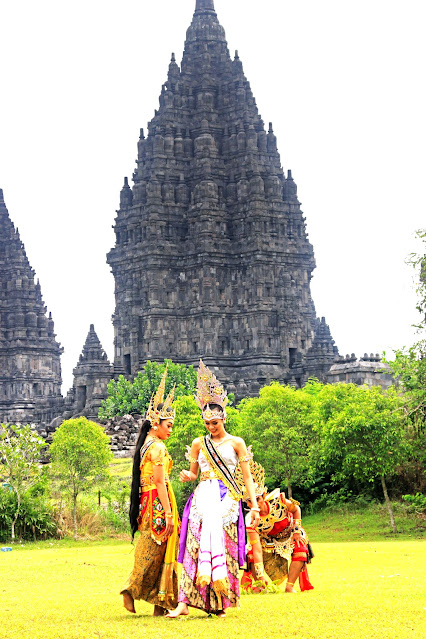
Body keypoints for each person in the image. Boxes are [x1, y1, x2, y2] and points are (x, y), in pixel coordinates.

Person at [166, 360, 260, 618]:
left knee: (226, 546)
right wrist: (188, 475)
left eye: (215, 423)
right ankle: (184, 603)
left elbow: (247, 477)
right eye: (207, 424)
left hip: (227, 499)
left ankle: (220, 602)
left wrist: (254, 506)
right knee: (193, 546)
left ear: (224, 418)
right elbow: (194, 474)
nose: (211, 428)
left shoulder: (237, 443)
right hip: (202, 498)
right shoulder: (199, 444)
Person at [120, 368, 180, 616]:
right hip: (157, 503)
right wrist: (167, 513)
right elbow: (159, 482)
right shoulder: (157, 448)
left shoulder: (147, 445)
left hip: (149, 503)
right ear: (155, 424)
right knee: (155, 549)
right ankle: (131, 590)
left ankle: (161, 604)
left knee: (160, 550)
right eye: (168, 425)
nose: (171, 430)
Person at [235, 460, 314, 593]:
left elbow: (296, 510)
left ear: (264, 495)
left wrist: (296, 530)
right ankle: (260, 584)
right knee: (250, 554)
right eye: (249, 501)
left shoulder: (279, 500)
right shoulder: (250, 520)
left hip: (289, 532)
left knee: (300, 546)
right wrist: (260, 575)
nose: (254, 503)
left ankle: (290, 586)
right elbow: (257, 550)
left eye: (257, 499)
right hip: (267, 539)